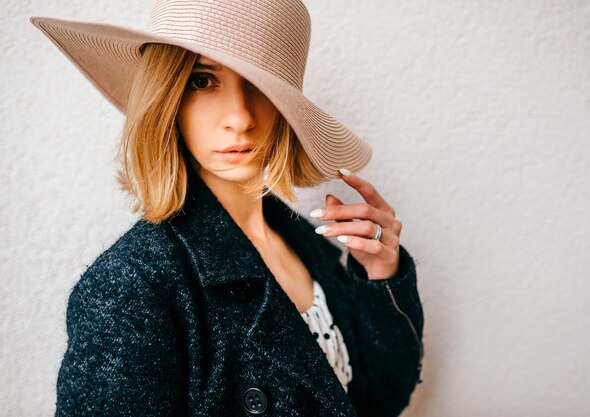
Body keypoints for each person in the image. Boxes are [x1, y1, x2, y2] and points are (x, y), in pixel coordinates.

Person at [30, 1, 425, 416]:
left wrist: (382, 277)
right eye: (202, 80)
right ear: (167, 96)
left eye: (260, 85)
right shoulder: (132, 287)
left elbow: (377, 401)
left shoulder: (311, 245)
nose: (240, 117)